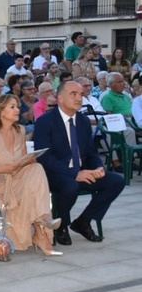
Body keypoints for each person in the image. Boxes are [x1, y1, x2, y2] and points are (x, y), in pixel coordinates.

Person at [33, 81, 124, 246]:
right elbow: (45, 157)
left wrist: (98, 168)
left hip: (81, 169)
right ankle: (60, 225)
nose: (78, 98)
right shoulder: (45, 122)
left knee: (116, 181)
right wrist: (75, 174)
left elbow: (90, 152)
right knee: (70, 186)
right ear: (60, 98)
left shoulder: (82, 121)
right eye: (73, 94)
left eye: (81, 94)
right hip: (55, 173)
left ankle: (83, 221)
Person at [0, 95, 62, 256]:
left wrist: (28, 160)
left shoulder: (20, 131)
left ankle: (41, 222)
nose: (18, 110)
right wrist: (7, 167)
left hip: (19, 177)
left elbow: (22, 159)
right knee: (34, 176)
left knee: (36, 167)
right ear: (1, 111)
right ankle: (41, 232)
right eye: (12, 107)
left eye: (17, 106)